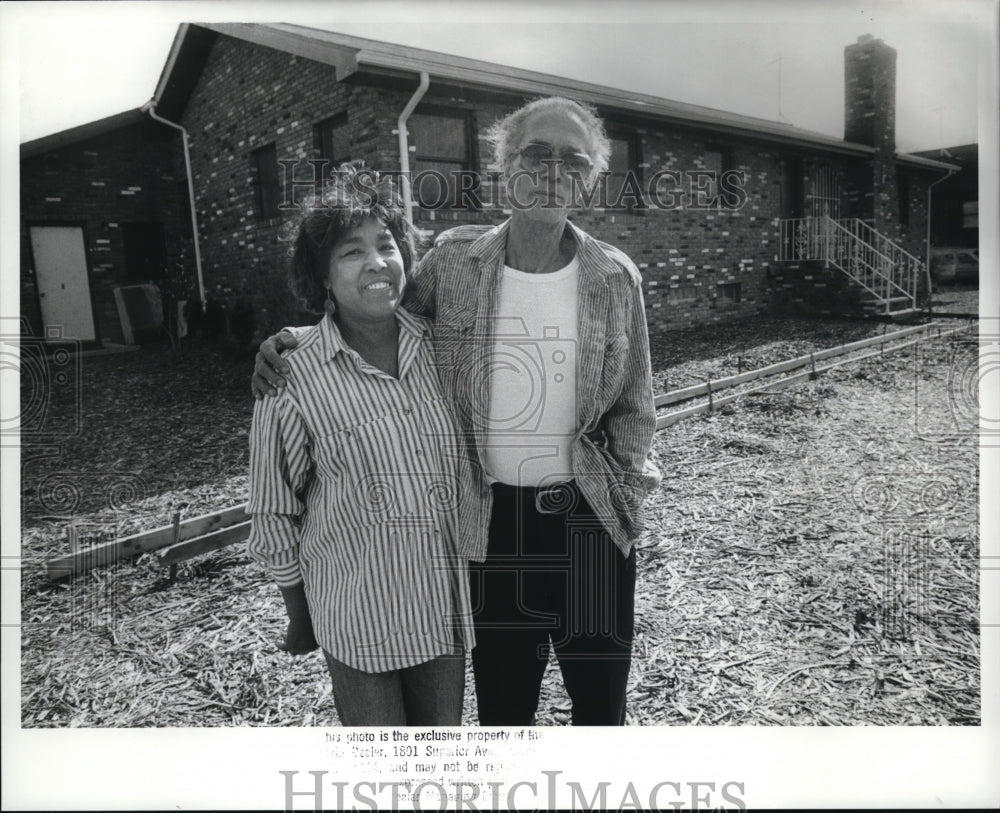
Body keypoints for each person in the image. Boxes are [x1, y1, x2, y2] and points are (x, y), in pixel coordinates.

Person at [254, 97, 661, 725]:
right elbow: (377, 318)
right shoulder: (453, 263)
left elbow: (635, 406)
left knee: (601, 709)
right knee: (503, 709)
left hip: (590, 524)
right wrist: (296, 341)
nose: (554, 170)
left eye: (573, 160)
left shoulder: (615, 277)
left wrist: (627, 501)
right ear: (504, 164)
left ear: (589, 178)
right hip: (491, 524)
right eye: (537, 154)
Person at [247, 164, 480, 726]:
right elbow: (273, 509)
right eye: (352, 252)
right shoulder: (292, 378)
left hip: (442, 609)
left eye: (387, 245)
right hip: (358, 617)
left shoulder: (443, 348)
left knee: (439, 760)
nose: (377, 262)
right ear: (322, 276)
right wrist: (299, 614)